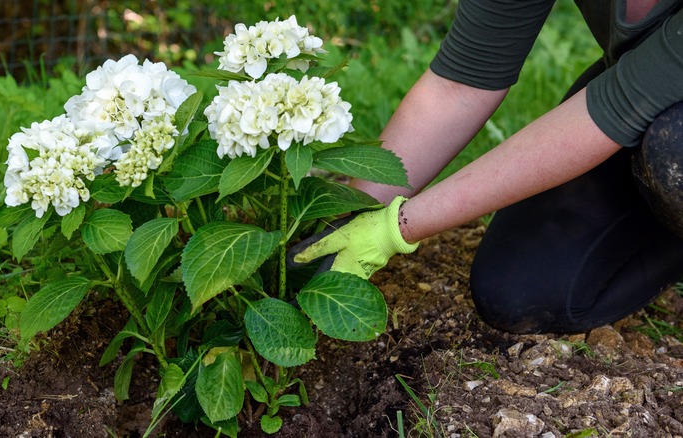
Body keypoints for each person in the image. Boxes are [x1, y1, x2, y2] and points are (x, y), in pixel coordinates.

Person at [290, 0, 683, 334]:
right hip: (643, 95)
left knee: (674, 151)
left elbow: (613, 110)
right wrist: (348, 209)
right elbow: (462, 81)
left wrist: (395, 229)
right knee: (519, 288)